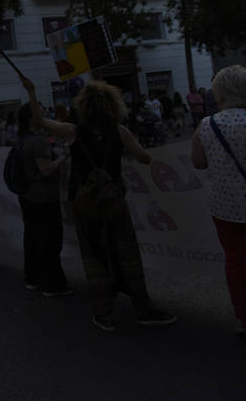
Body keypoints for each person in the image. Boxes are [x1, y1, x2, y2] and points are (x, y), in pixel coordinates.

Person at [22, 77, 176, 331]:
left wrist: (31, 90)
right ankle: (142, 308)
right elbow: (145, 158)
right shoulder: (120, 132)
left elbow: (39, 121)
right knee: (126, 253)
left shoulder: (73, 132)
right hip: (114, 200)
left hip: (84, 203)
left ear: (83, 106)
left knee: (94, 257)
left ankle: (103, 313)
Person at [189, 64, 246, 336]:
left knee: (235, 261)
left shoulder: (207, 125)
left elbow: (198, 163)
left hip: (225, 208)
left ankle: (243, 317)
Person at [16, 102, 73, 297]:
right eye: (40, 113)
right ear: (32, 119)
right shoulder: (38, 142)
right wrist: (64, 156)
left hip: (28, 196)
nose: (44, 116)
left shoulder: (22, 139)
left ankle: (33, 277)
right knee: (49, 240)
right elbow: (46, 169)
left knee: (33, 237)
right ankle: (52, 283)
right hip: (44, 198)